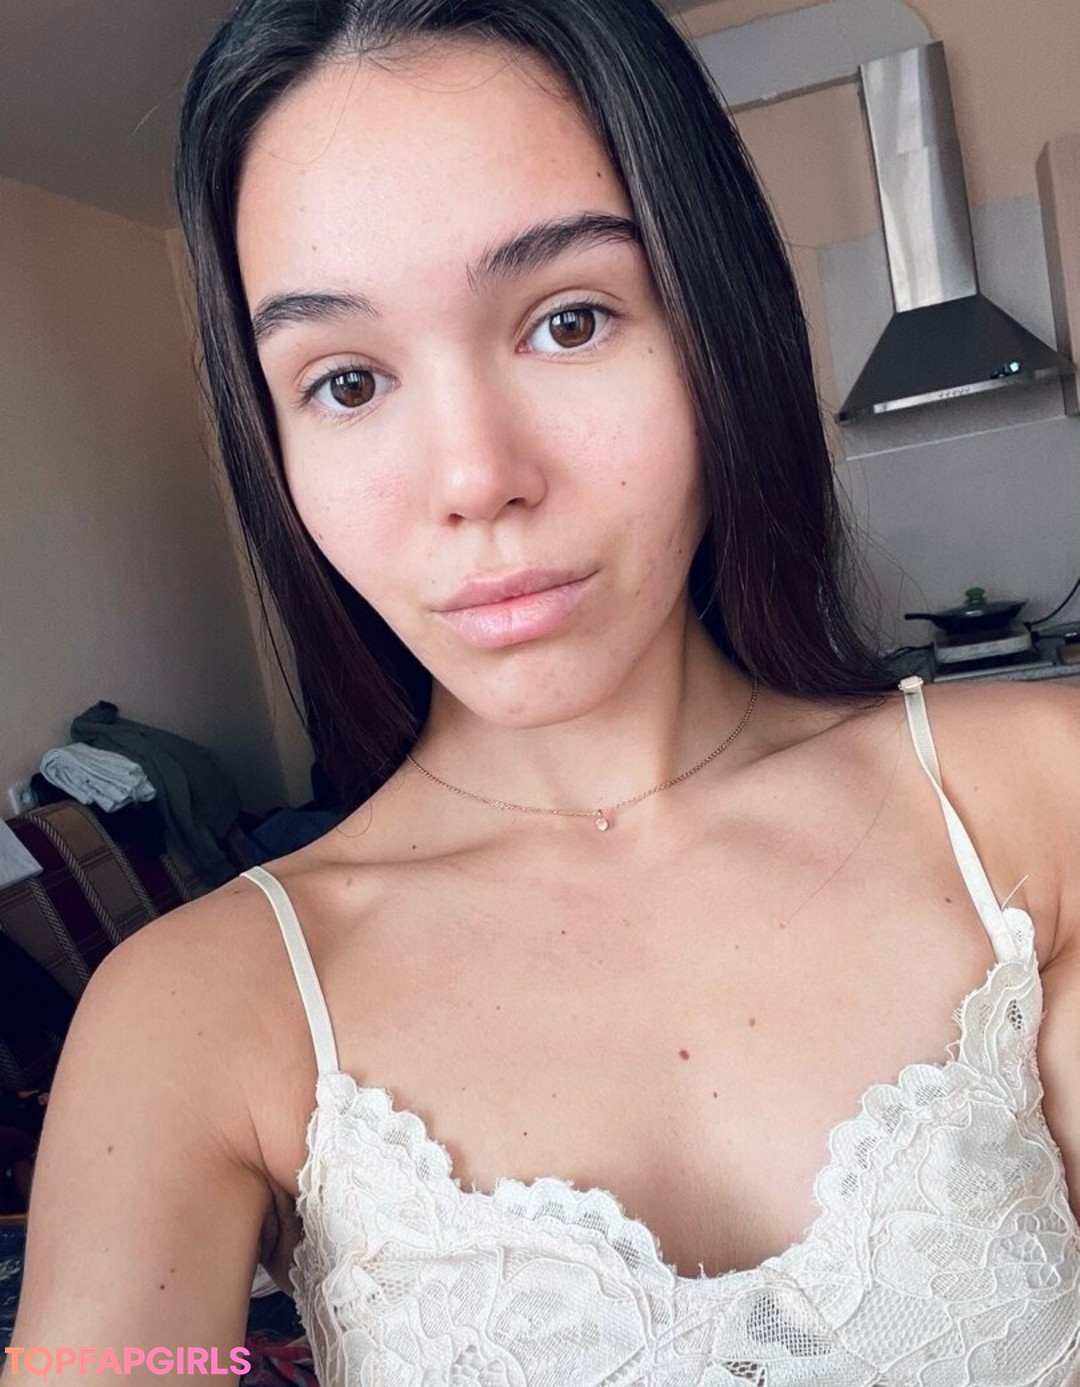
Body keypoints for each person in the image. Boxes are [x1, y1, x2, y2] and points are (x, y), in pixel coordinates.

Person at [8, 0, 1080, 1381]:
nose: (475, 478)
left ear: (720, 322)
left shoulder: (1031, 799)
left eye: (570, 320)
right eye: (348, 382)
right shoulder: (200, 1012)